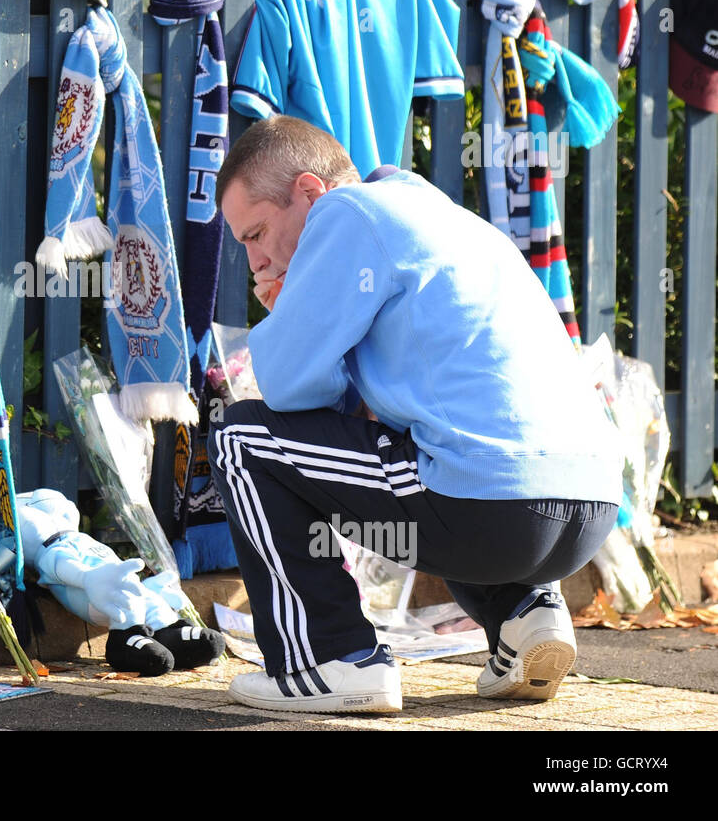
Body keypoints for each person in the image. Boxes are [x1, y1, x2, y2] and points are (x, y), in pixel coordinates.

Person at [208, 115, 620, 713]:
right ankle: (524, 613)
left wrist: (287, 310)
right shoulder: (451, 221)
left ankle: (329, 658)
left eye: (256, 233)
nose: (253, 260)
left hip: (494, 510)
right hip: (590, 511)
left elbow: (289, 392)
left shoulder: (344, 214)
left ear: (308, 191)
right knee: (430, 442)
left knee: (241, 439)